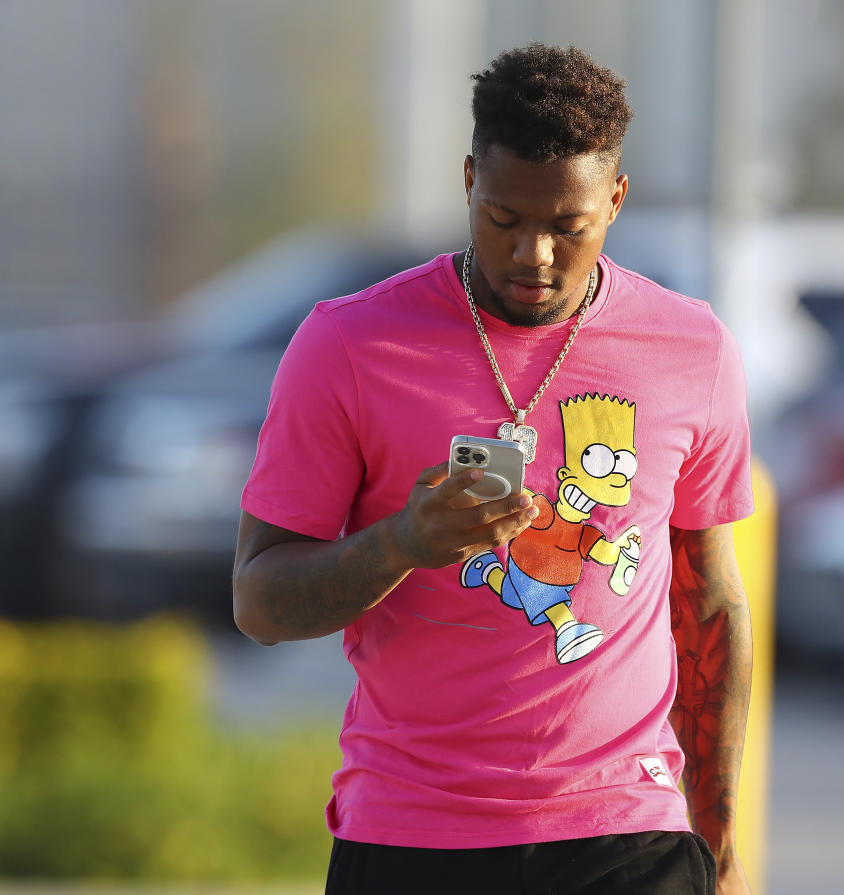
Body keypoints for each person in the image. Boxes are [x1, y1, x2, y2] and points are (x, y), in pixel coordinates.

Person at [233, 43, 755, 895]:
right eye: (505, 219)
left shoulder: (690, 349)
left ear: (615, 200)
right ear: (469, 180)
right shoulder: (348, 344)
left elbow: (708, 602)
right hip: (412, 835)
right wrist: (400, 541)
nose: (534, 256)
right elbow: (259, 603)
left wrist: (721, 844)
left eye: (567, 227)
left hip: (627, 834)